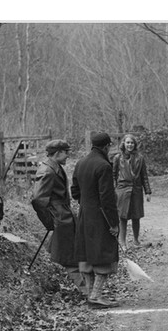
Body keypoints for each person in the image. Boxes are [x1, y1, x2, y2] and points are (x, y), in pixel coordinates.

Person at [30, 139, 87, 296]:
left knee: (71, 255)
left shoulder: (55, 168)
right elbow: (37, 200)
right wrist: (50, 221)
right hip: (60, 219)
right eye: (66, 152)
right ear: (58, 153)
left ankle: (86, 288)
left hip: (65, 217)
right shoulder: (47, 171)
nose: (68, 155)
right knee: (69, 258)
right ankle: (85, 291)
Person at [71, 131, 121, 308]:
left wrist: (87, 203)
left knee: (88, 255)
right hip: (101, 217)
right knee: (103, 255)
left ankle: (92, 295)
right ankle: (96, 296)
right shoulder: (104, 166)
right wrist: (114, 223)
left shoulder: (80, 163)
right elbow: (107, 198)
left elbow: (75, 192)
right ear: (106, 146)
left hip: (84, 215)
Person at [112, 133, 152, 249]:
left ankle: (136, 241)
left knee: (136, 216)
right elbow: (113, 175)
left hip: (136, 190)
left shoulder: (140, 158)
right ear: (123, 143)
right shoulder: (117, 158)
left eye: (132, 143)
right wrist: (114, 190)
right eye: (128, 142)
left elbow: (144, 176)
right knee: (122, 217)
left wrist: (147, 192)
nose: (130, 145)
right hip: (122, 190)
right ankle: (123, 243)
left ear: (135, 145)